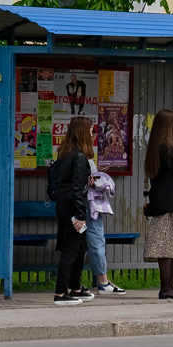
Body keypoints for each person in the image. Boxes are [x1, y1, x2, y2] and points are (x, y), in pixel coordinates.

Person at [48, 117, 95, 305]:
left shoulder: (65, 155)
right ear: (83, 133)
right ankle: (60, 293)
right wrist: (81, 217)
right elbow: (76, 190)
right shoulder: (80, 157)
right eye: (91, 131)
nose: (93, 135)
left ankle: (75, 287)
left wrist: (86, 182)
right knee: (71, 250)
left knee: (81, 246)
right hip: (74, 210)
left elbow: (69, 184)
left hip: (65, 206)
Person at [144, 109, 173, 300]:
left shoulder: (157, 146)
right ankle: (167, 288)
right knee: (167, 246)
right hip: (168, 202)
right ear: (167, 127)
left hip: (165, 201)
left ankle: (169, 287)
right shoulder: (166, 148)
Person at [85, 164, 125, 294]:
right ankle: (103, 281)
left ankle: (72, 283)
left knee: (80, 242)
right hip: (88, 204)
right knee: (96, 238)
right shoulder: (83, 157)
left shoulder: (70, 155)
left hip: (75, 206)